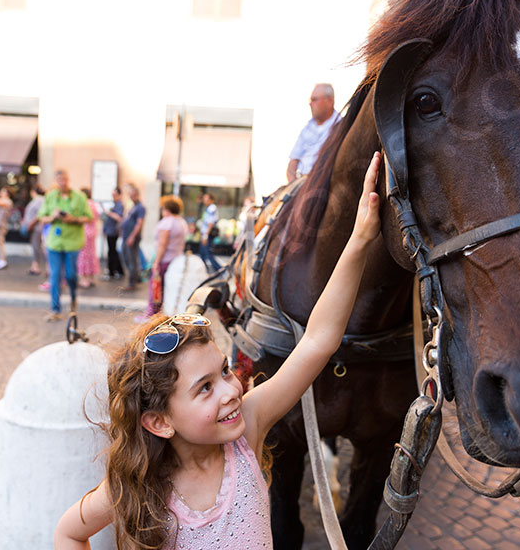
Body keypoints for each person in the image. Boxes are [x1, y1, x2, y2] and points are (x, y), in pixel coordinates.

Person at [53, 152, 383, 549]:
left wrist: (361, 239)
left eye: (224, 371)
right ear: (159, 422)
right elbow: (69, 532)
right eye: (204, 387)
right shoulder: (139, 486)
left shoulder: (249, 426)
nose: (231, 390)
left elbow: (317, 341)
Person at [37, 169, 93, 321]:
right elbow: (42, 217)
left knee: (70, 275)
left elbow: (89, 217)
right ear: (56, 181)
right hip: (55, 243)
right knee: (54, 276)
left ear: (68, 180)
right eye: (59, 180)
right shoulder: (50, 196)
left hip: (73, 243)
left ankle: (73, 302)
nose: (62, 183)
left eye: (65, 180)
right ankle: (55, 309)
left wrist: (73, 219)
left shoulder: (79, 197)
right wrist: (52, 217)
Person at [143, 195, 188, 319]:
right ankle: (162, 315)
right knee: (167, 289)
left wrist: (156, 262)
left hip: (164, 260)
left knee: (156, 287)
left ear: (167, 209)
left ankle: (152, 315)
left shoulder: (167, 223)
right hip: (176, 259)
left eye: (162, 208)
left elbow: (162, 244)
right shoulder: (181, 222)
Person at [287, 83, 341, 182]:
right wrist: (293, 184)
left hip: (322, 184)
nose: (310, 103)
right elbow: (293, 161)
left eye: (314, 99)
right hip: (300, 183)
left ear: (329, 101)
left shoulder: (341, 127)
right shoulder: (307, 128)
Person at [119, 183, 145, 293]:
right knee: (125, 257)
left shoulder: (140, 208)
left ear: (138, 195)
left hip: (131, 237)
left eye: (133, 195)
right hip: (126, 236)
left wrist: (132, 236)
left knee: (131, 259)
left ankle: (132, 282)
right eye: (130, 195)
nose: (132, 197)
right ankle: (135, 277)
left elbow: (139, 223)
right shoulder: (133, 207)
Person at [77, 187, 101, 288]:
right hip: (93, 231)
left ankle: (84, 279)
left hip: (85, 231)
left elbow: (83, 217)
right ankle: (91, 278)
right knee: (91, 254)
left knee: (83, 255)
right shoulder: (94, 204)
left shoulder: (85, 204)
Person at [100, 187, 125, 281]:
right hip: (109, 230)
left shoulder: (119, 205)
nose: (113, 197)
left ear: (119, 195)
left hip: (113, 231)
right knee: (113, 251)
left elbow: (119, 217)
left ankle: (112, 272)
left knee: (111, 252)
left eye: (114, 195)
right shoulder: (114, 204)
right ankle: (118, 270)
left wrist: (108, 212)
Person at [22, 186, 47, 276]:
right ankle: (35, 265)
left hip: (36, 228)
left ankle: (45, 265)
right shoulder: (37, 200)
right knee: (35, 247)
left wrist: (30, 224)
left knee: (37, 247)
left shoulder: (39, 201)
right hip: (34, 227)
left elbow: (39, 215)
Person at [197, 192, 221, 273]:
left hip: (208, 235)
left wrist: (205, 236)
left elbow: (210, 223)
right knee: (203, 254)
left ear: (211, 200)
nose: (205, 201)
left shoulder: (211, 208)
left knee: (208, 254)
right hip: (205, 234)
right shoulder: (208, 209)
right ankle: (206, 271)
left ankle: (219, 270)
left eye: (207, 199)